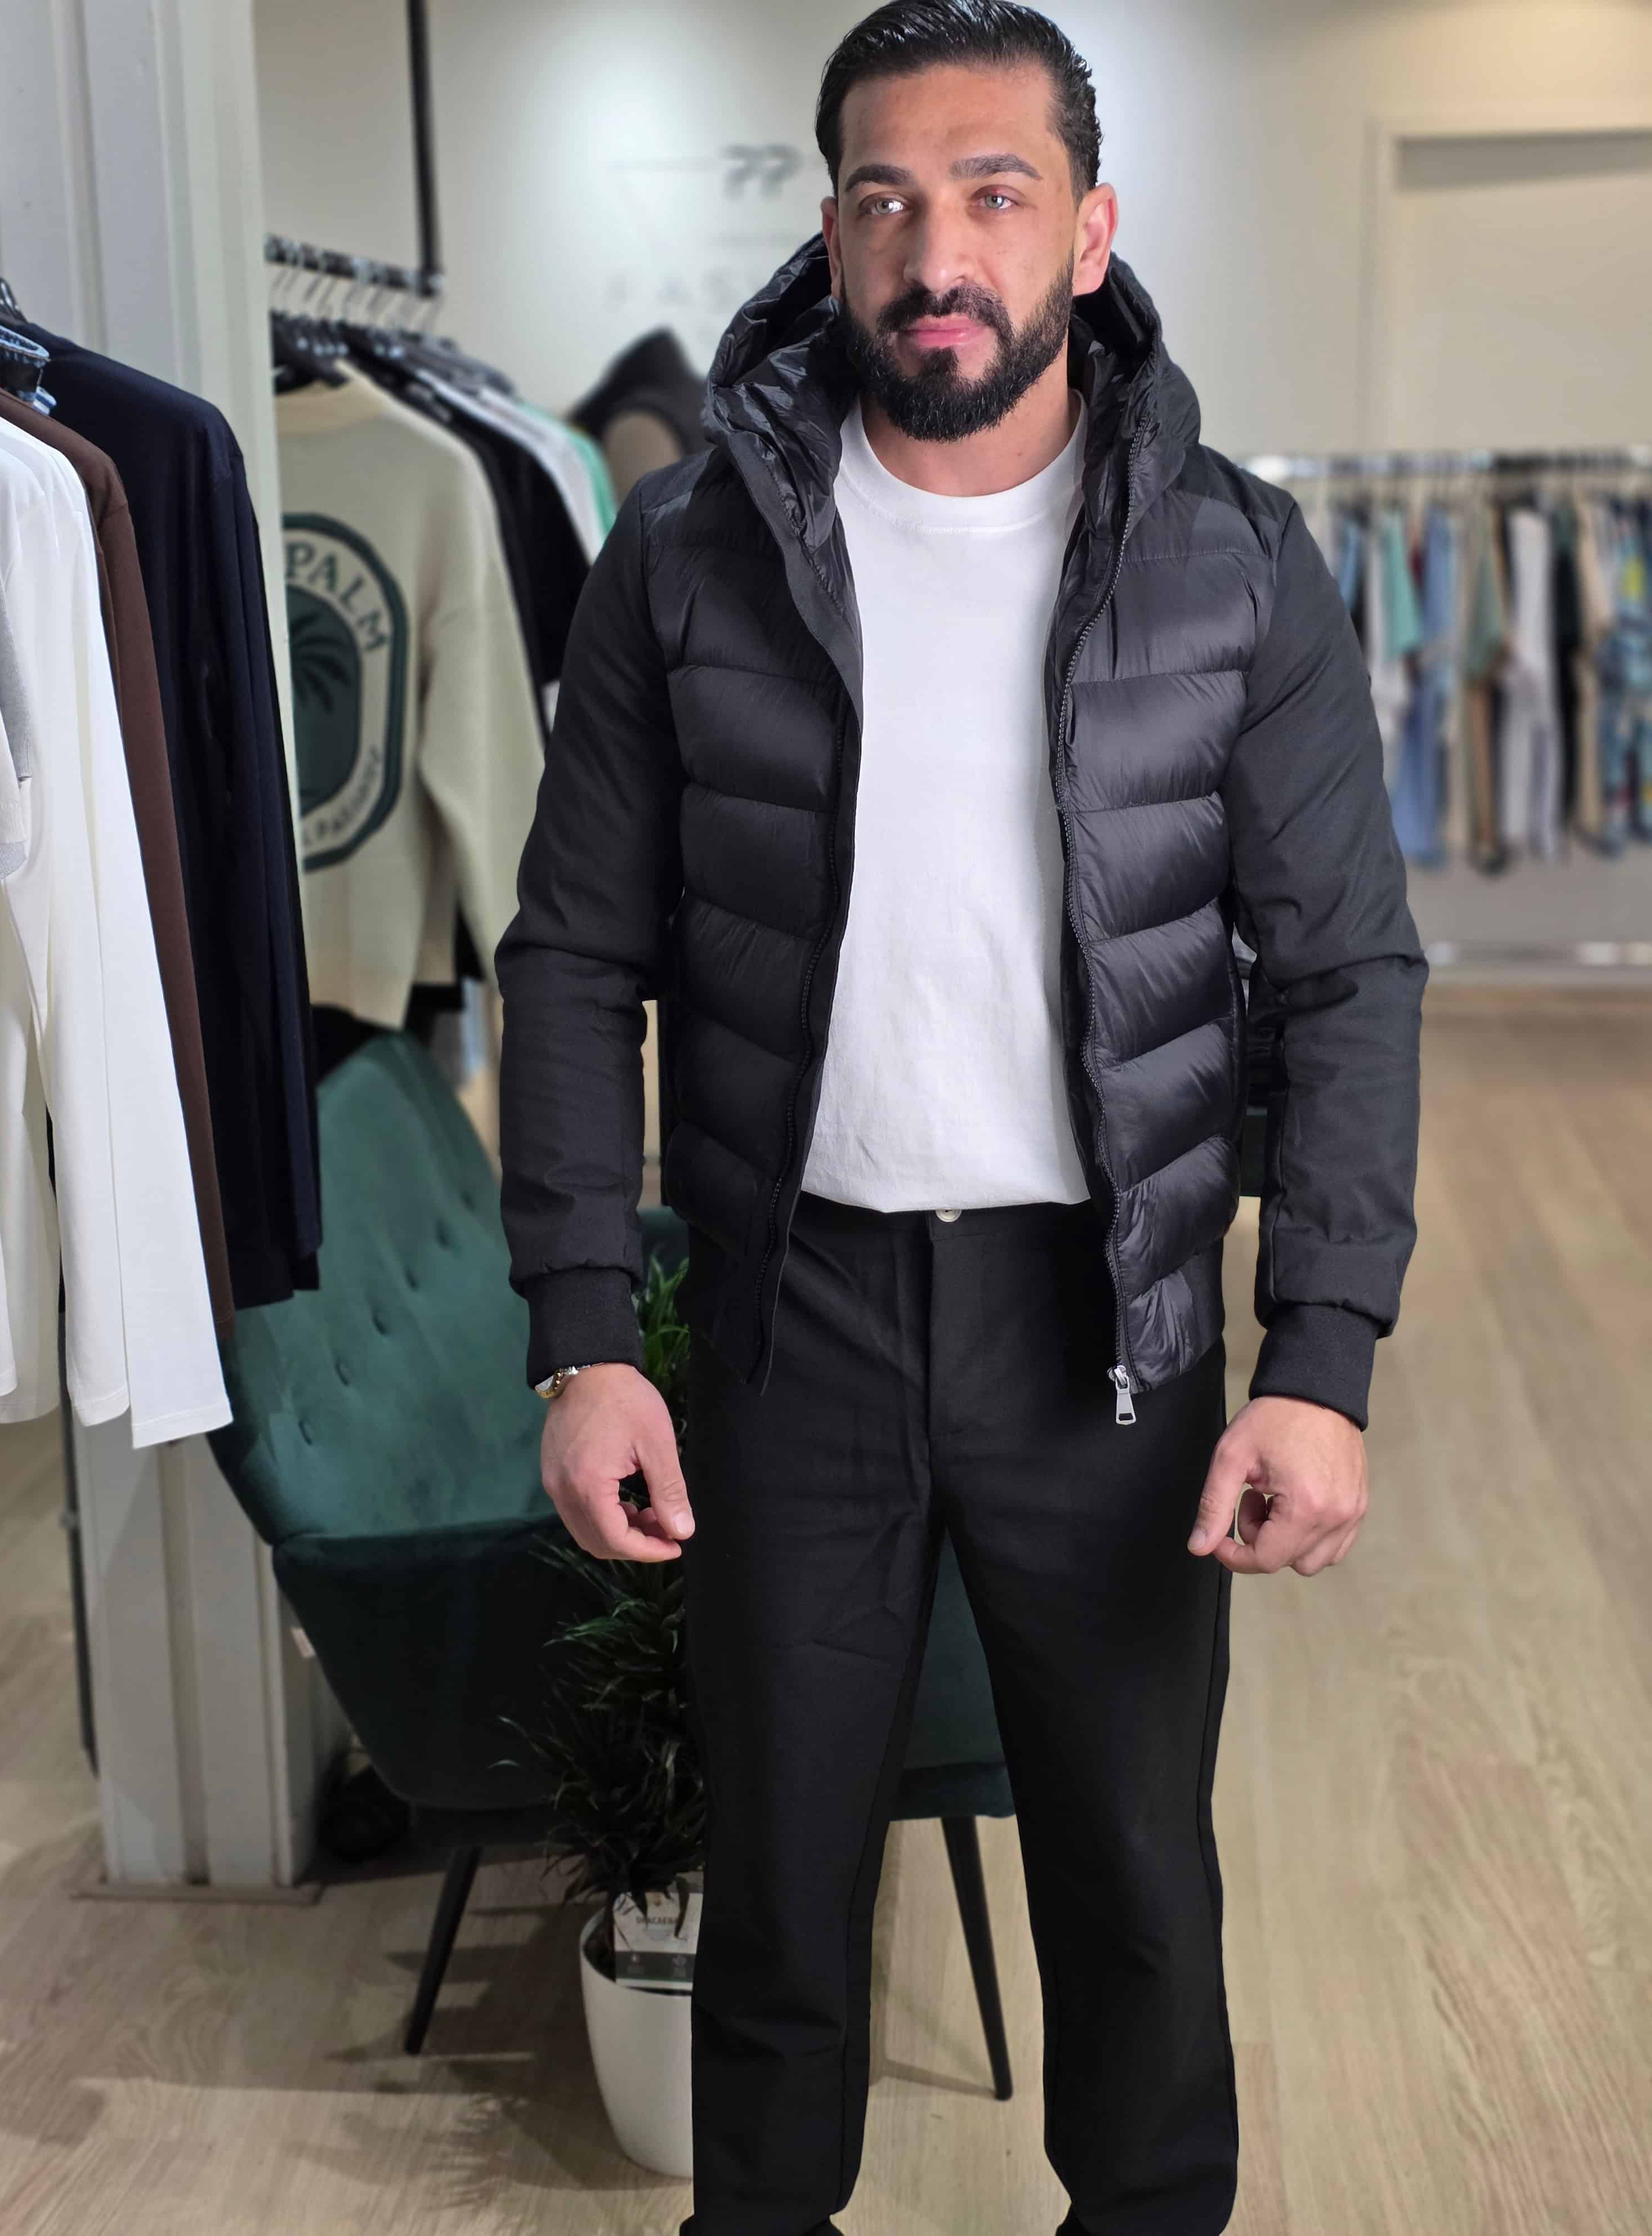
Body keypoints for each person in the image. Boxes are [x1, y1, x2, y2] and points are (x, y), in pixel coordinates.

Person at [495, 2, 1426, 2228]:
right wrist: (584, 1329)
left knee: (1134, 1880)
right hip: (793, 1317)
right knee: (784, 1889)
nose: (940, 252)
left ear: (1087, 233)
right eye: (889, 199)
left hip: (1104, 1321)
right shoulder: (684, 557)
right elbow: (572, 957)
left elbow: (1346, 977)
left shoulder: (1233, 563)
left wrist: (1320, 1359)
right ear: (830, 234)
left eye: (996, 195)